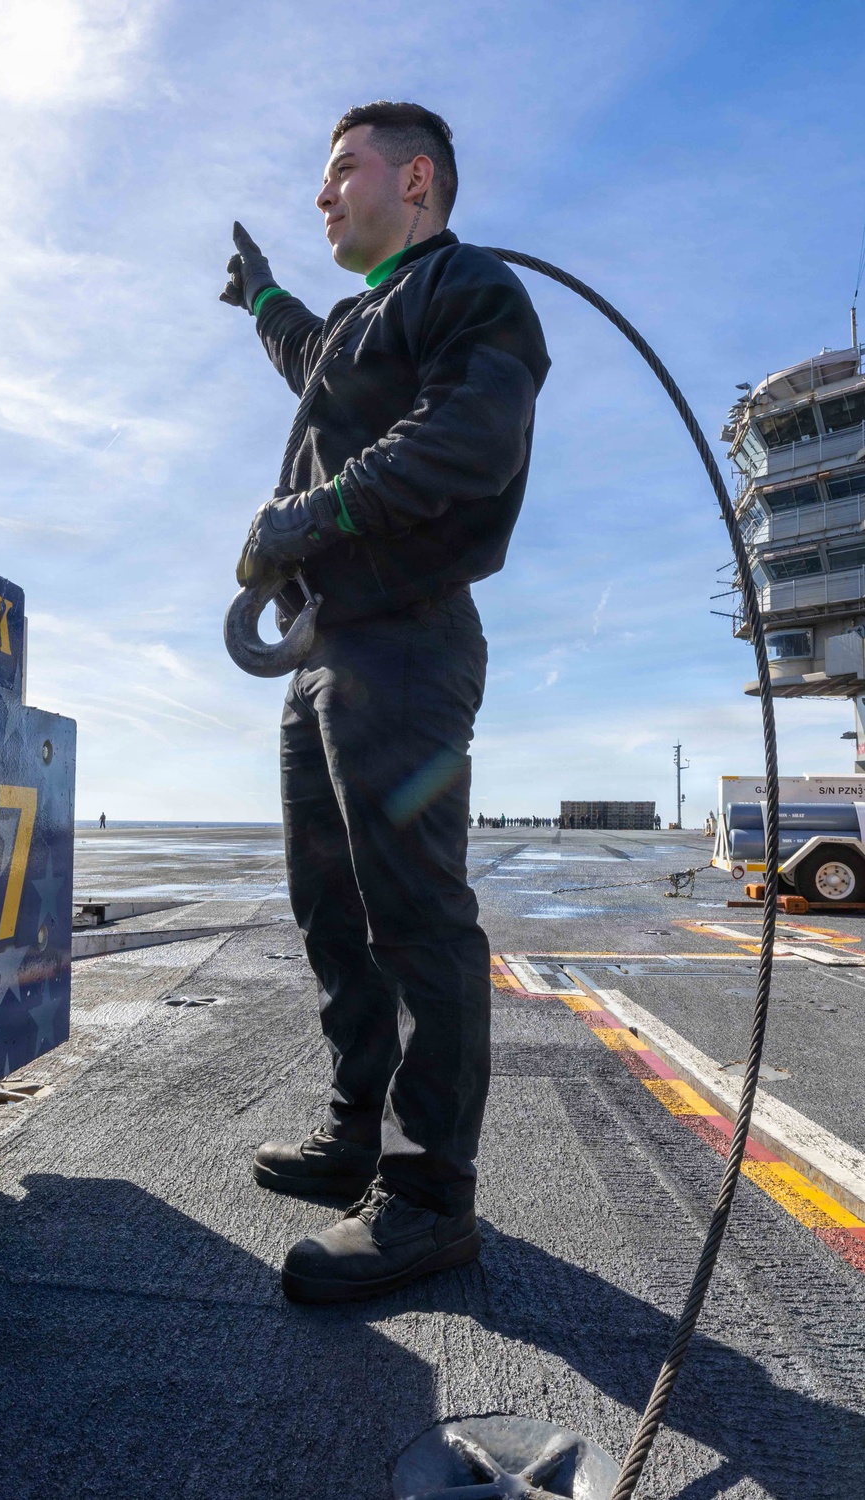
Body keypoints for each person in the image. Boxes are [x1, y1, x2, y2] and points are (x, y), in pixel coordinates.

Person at [222, 100, 549, 1304]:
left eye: (341, 169)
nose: (322, 192)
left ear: (416, 181)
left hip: (408, 640)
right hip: (329, 650)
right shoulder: (361, 322)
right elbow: (316, 362)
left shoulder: (468, 289)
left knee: (413, 914)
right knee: (331, 909)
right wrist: (260, 296)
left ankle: (426, 1196)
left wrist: (308, 516)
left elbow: (468, 436)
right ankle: (357, 1133)